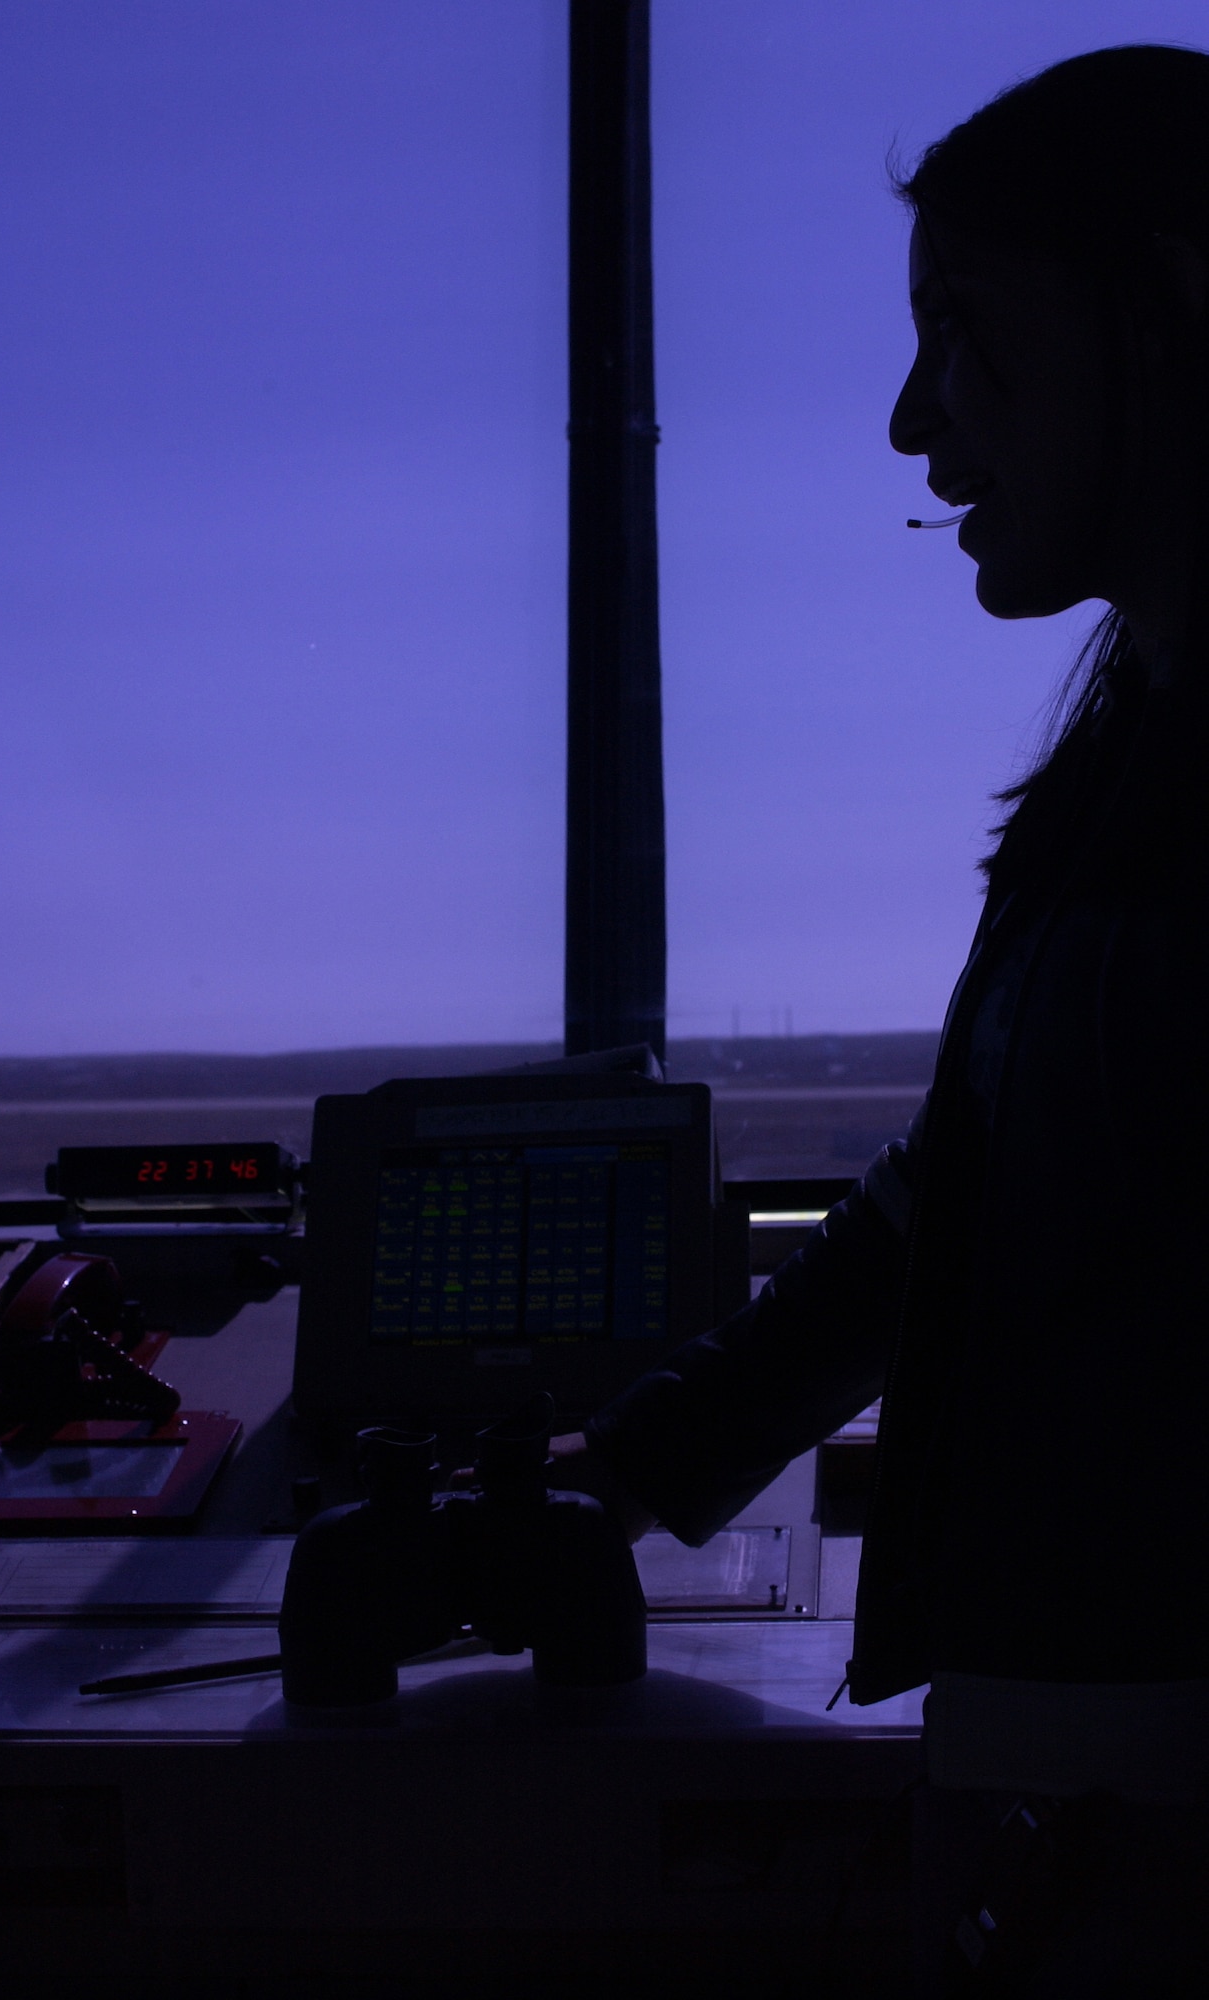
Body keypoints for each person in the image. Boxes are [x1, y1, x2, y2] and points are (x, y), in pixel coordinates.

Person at [464, 43, 1209, 1996]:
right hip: (1063, 1792)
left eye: (966, 336)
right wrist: (628, 1474)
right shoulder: (1131, 732)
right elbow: (952, 1193)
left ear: (1177, 308)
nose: (911, 420)